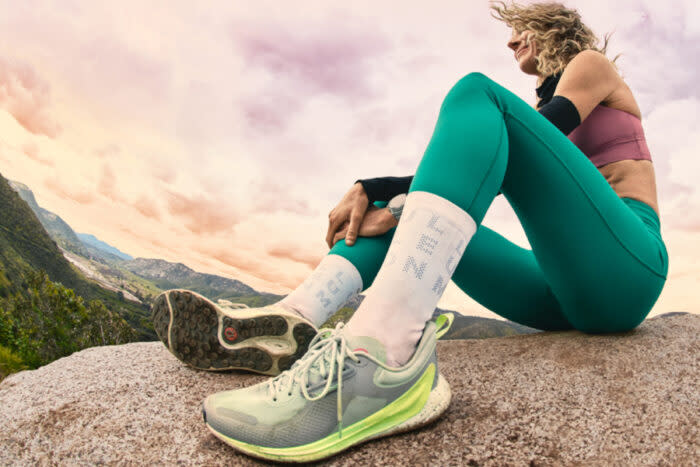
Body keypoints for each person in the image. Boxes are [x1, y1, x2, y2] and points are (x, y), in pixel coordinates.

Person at [157, 1, 670, 462]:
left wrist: (379, 185)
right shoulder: (528, 114)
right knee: (400, 208)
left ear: (551, 27)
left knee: (475, 95)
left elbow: (542, 129)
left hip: (628, 268)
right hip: (563, 290)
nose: (511, 41)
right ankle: (293, 318)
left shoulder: (591, 65)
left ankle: (379, 359)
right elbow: (471, 173)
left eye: (520, 30)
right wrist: (379, 193)